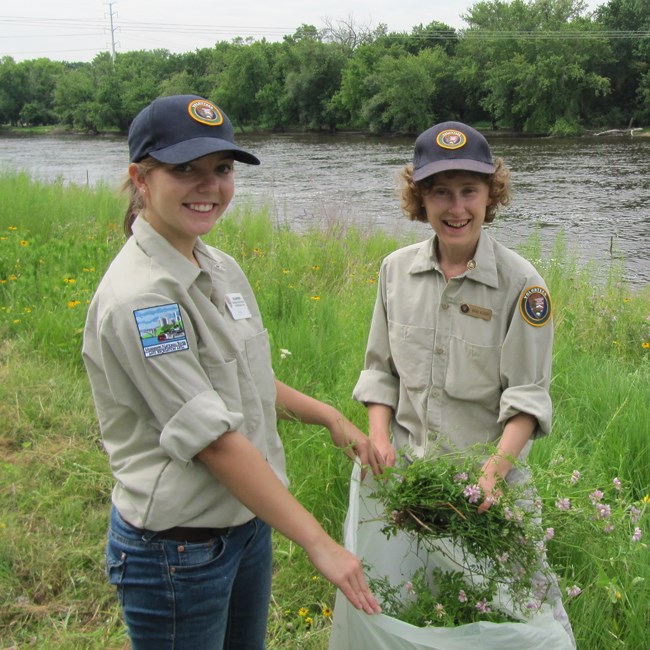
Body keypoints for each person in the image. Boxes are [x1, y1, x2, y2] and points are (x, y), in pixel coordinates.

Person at [82, 94, 382, 650]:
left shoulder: (218, 266)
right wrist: (319, 543)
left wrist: (330, 419)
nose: (210, 186)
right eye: (185, 170)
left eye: (221, 169)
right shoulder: (144, 300)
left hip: (245, 528)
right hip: (179, 552)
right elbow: (214, 441)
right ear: (140, 179)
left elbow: (244, 380)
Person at [351, 121, 575, 643]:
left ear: (490, 195)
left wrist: (492, 475)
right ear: (419, 198)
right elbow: (380, 372)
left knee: (527, 612)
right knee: (413, 603)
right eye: (440, 192)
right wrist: (380, 439)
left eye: (469, 191)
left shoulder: (524, 286)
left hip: (489, 488)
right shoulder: (394, 272)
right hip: (408, 481)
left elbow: (526, 399)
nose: (456, 208)